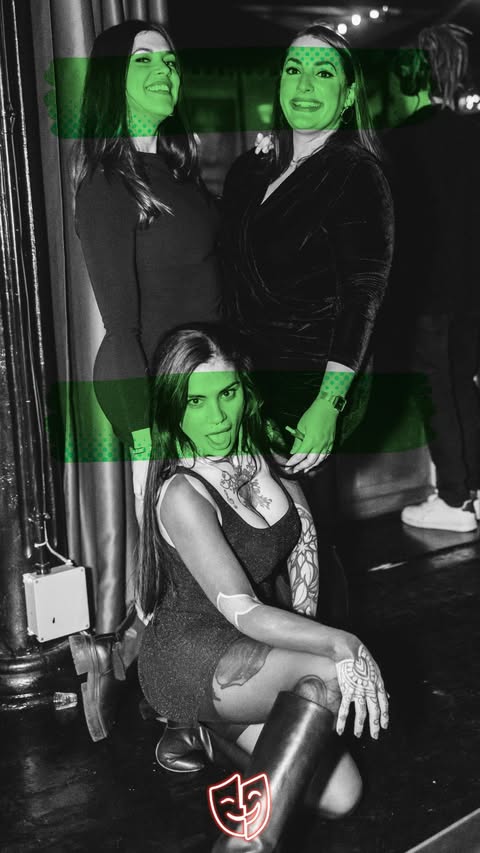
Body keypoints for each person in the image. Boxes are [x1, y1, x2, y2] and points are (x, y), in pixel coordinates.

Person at [137, 324, 389, 852]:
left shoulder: (259, 450)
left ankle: (207, 735)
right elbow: (244, 611)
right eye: (196, 401)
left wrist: (309, 640)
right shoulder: (181, 492)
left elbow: (303, 545)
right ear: (172, 404)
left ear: (244, 390)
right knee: (330, 669)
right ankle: (245, 845)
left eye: (227, 393)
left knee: (342, 796)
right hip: (192, 654)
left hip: (256, 644)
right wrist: (338, 644)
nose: (216, 417)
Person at [67, 20, 221, 742]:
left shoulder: (180, 174)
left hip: (213, 392)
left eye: (170, 59)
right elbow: (119, 324)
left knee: (215, 559)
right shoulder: (107, 182)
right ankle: (176, 711)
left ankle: (128, 655)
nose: (165, 69)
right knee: (181, 570)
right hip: (157, 400)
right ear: (112, 81)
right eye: (143, 60)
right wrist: (142, 433)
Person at [218, 23, 393, 622]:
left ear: (348, 95)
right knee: (255, 551)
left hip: (309, 390)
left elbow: (363, 296)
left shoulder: (356, 172)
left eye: (324, 73)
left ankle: (332, 667)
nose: (306, 84)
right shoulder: (249, 171)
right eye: (294, 69)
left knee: (307, 547)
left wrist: (328, 403)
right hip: (246, 387)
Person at [377, 24, 480, 532]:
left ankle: (456, 501)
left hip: (426, 291)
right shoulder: (473, 133)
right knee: (463, 387)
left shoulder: (401, 142)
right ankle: (473, 492)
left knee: (436, 391)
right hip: (471, 290)